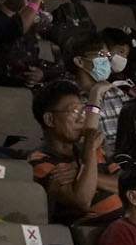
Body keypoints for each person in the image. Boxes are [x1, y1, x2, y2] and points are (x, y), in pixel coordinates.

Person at [30, 79, 119, 222]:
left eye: (83, 112)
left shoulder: (95, 150)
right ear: (50, 119)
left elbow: (128, 186)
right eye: (74, 111)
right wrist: (89, 149)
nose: (82, 119)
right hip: (95, 233)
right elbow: (82, 200)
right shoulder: (40, 161)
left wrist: (82, 175)